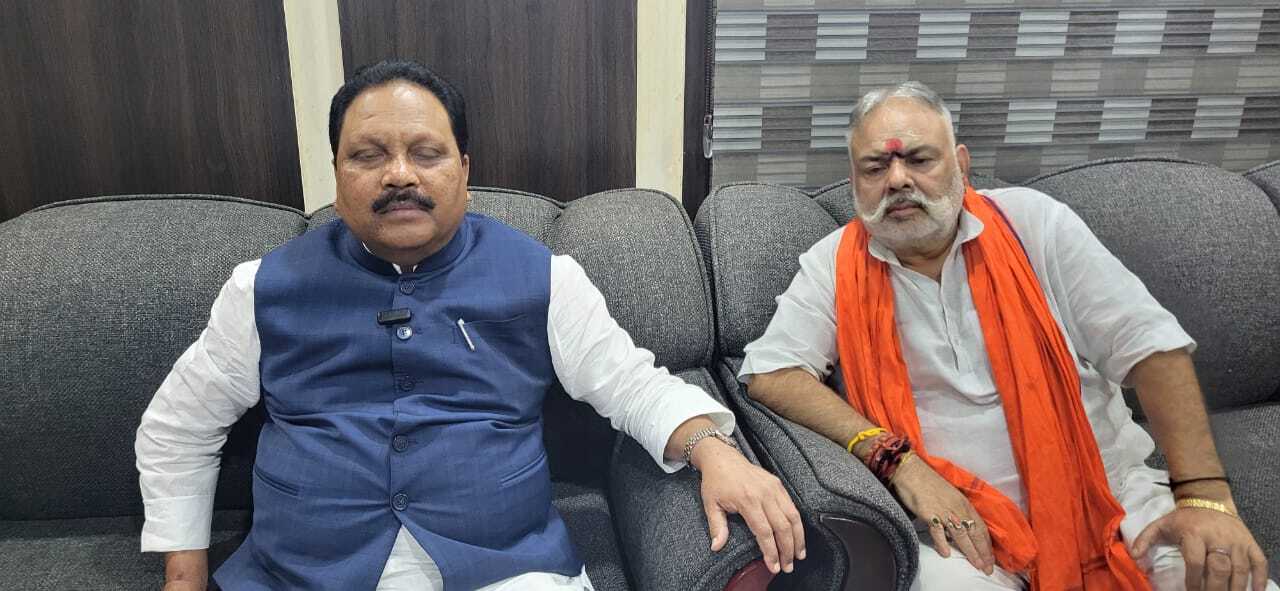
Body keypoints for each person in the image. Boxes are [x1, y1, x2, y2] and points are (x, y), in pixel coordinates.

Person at [136, 60, 804, 591]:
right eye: (368, 155)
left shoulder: (543, 277)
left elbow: (631, 384)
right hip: (302, 573)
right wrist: (183, 578)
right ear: (336, 175)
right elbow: (179, 426)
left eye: (426, 152)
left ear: (464, 170)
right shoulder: (263, 288)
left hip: (506, 570)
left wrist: (716, 452)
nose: (400, 174)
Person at [740, 81, 1272, 591]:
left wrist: (1204, 497)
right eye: (876, 167)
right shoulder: (833, 264)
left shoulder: (1034, 224)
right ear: (855, 181)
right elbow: (771, 374)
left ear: (961, 164)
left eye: (920, 160)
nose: (898, 179)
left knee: (1226, 577)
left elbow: (1150, 347)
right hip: (955, 529)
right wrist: (894, 459)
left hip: (1107, 500)